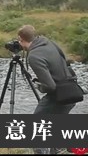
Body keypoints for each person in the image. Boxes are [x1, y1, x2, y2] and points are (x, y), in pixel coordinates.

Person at [18, 24, 77, 155]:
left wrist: (40, 86)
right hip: (71, 92)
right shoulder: (50, 43)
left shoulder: (34, 56)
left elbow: (50, 86)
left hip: (58, 96)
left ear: (21, 39)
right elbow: (64, 63)